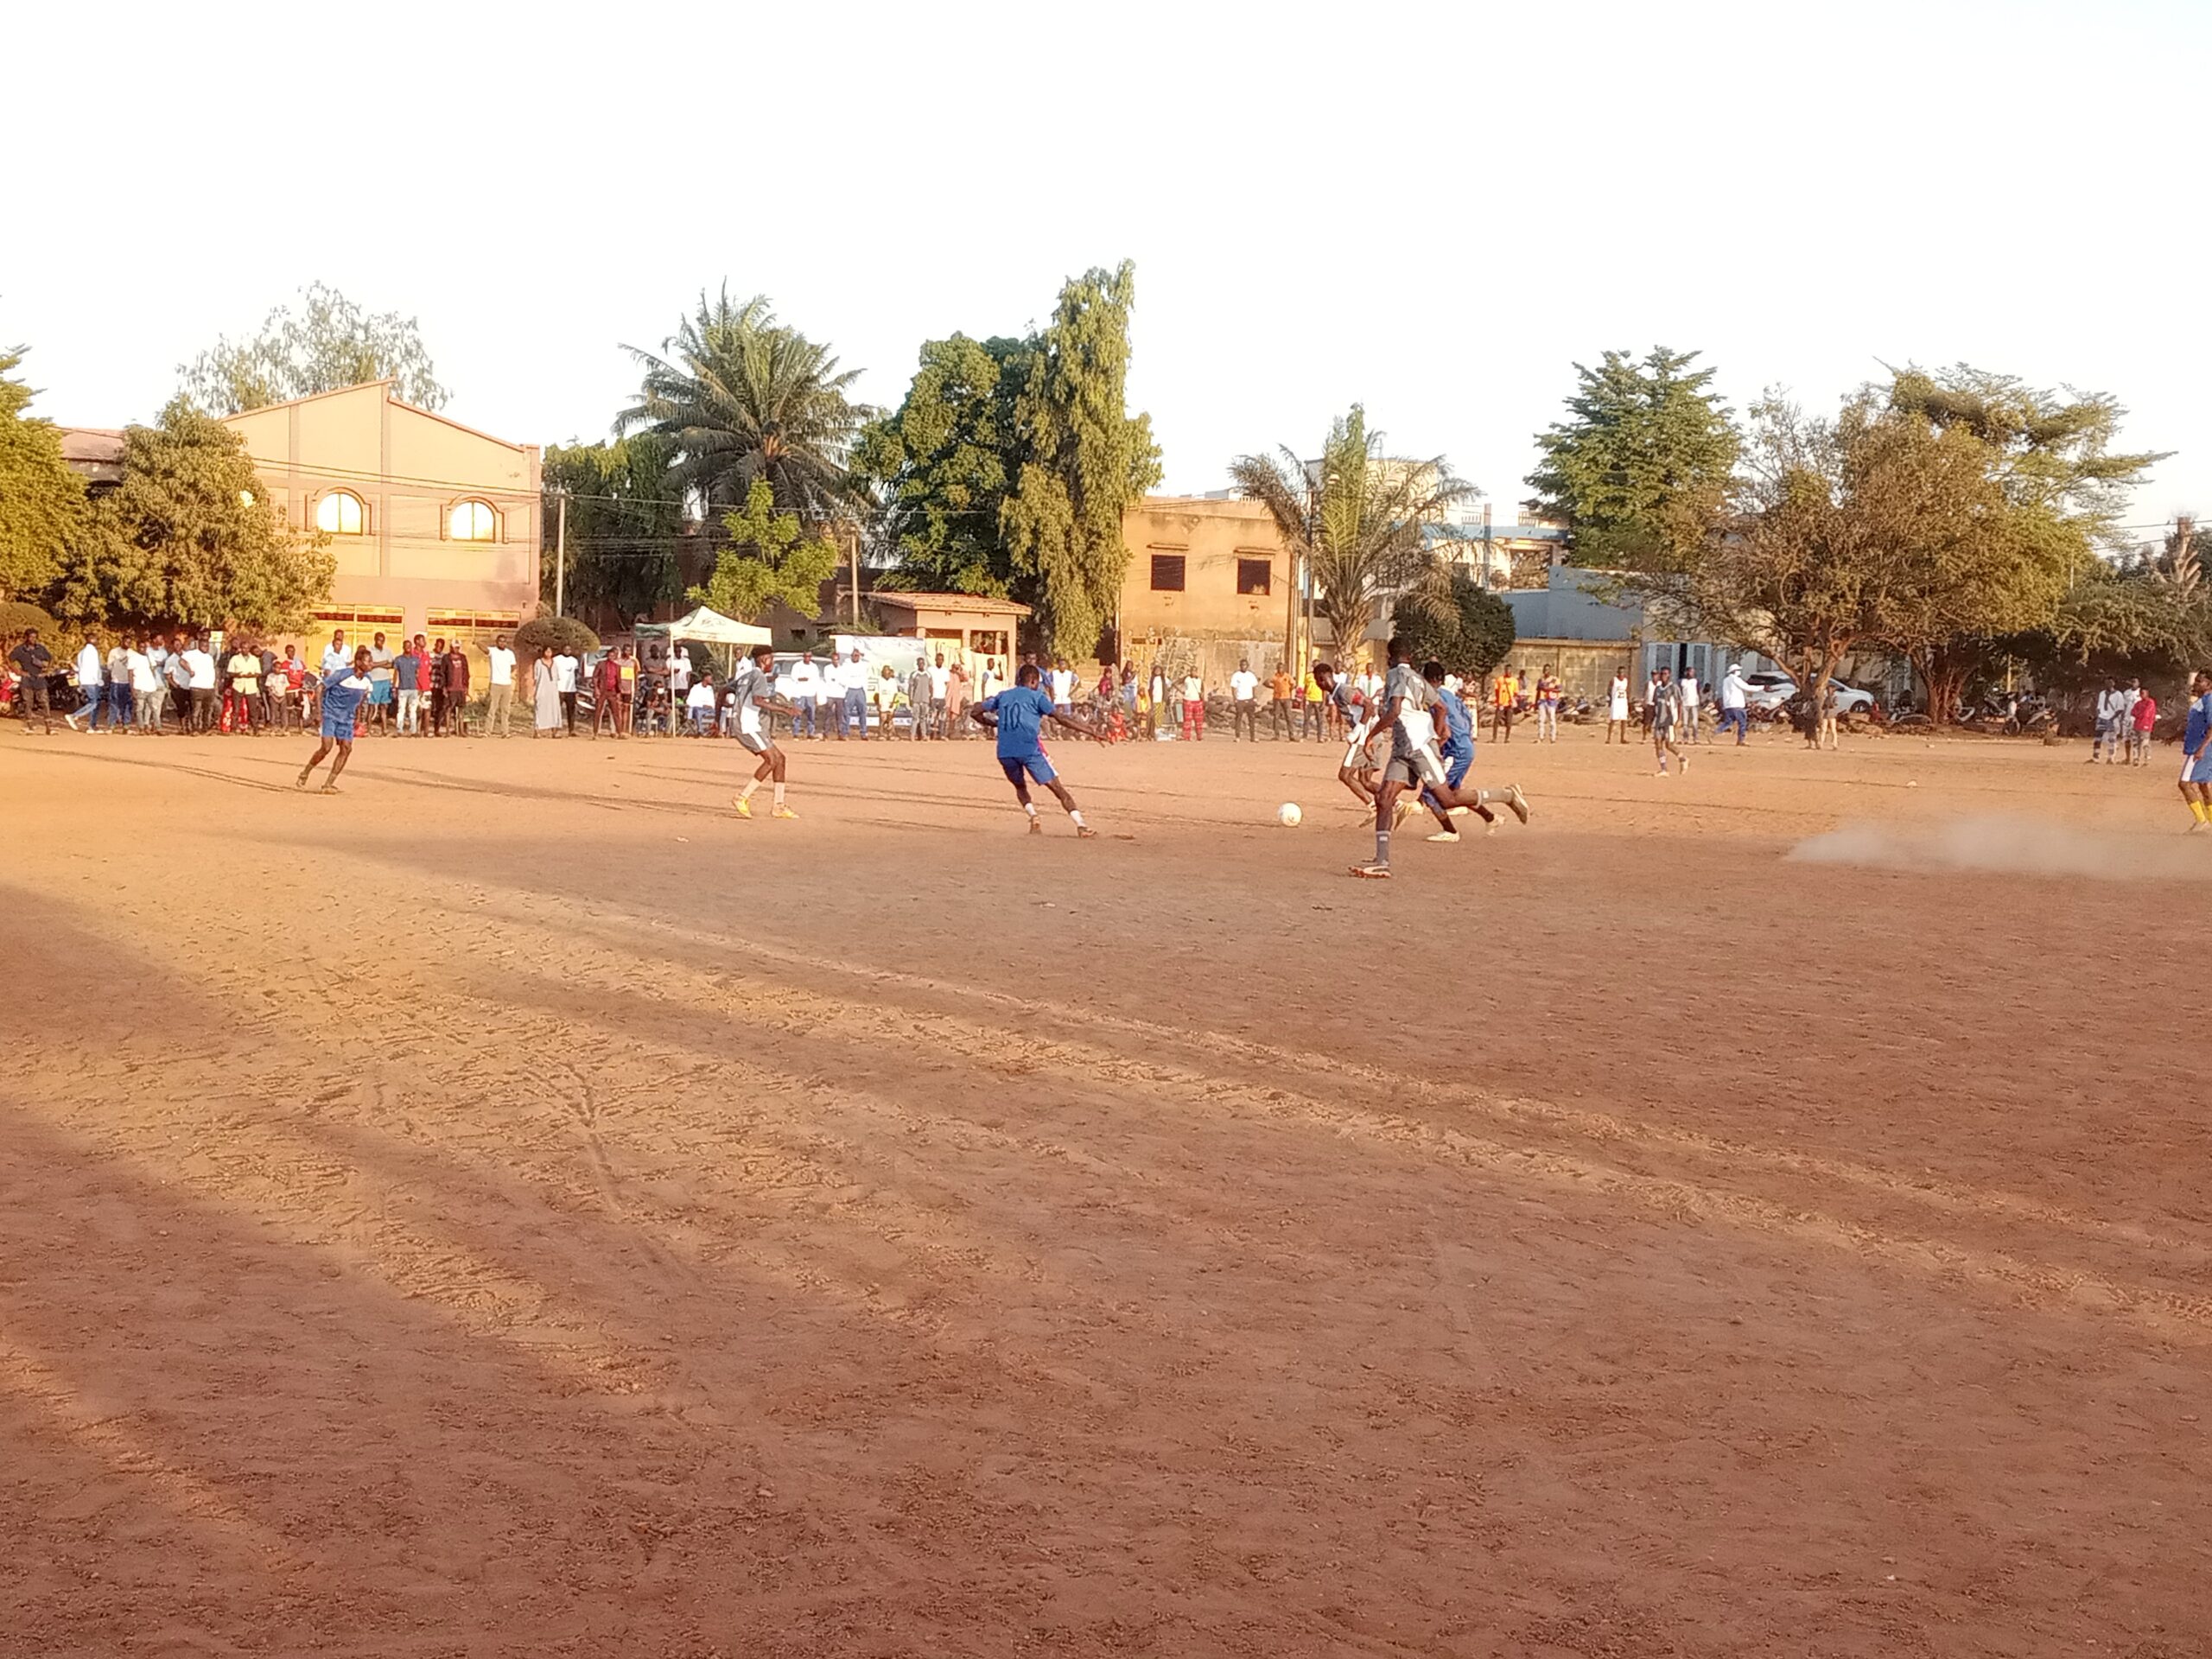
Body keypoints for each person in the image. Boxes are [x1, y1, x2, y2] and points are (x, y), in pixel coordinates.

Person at [1349, 639, 1503, 879]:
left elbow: (1395, 711)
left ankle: (1505, 795)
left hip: (1418, 745)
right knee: (1384, 798)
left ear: (1390, 657)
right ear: (1410, 657)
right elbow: (1440, 708)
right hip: (1404, 747)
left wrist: (1371, 735)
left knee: (1447, 799)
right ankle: (1382, 861)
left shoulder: (1395, 676)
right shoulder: (1420, 679)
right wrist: (1440, 731)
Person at [969, 662, 1101, 837]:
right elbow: (1060, 718)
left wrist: (994, 723)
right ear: (1033, 681)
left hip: (1005, 752)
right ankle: (1081, 825)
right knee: (1057, 788)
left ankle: (1034, 817)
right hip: (1029, 750)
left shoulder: (1003, 696)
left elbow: (975, 712)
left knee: (1020, 786)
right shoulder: (1037, 697)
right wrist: (1090, 731)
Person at [1416, 660, 1529, 842]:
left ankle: (1452, 831)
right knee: (1453, 792)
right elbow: (1468, 717)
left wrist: (1436, 750)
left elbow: (1445, 732)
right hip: (1465, 746)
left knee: (1432, 793)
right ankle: (1491, 818)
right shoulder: (1449, 694)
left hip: (1456, 751)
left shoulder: (1435, 699)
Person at [724, 644, 802, 819]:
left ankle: (778, 806)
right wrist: (785, 709)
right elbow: (758, 700)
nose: (772, 662)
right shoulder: (758, 675)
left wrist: (716, 718)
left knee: (780, 759)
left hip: (750, 725)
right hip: (748, 726)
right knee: (772, 760)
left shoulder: (747, 676)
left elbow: (723, 690)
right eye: (771, 659)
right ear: (763, 660)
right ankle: (742, 797)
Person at [296, 645, 375, 793]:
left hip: (347, 719)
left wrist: (357, 719)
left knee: (346, 748)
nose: (371, 664)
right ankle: (305, 772)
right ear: (358, 662)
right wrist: (318, 712)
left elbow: (360, 700)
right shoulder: (342, 674)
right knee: (326, 747)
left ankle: (328, 784)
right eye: (368, 661)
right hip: (331, 714)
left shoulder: (367, 681)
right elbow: (320, 688)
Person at [2179, 671, 2212, 831]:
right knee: (2203, 785)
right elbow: (2196, 725)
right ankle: (2211, 820)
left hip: (2200, 748)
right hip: (2196, 746)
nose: (2196, 684)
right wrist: (2175, 736)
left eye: (2200, 681)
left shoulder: (2210, 701)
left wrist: (2202, 748)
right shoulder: (2201, 701)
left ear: (2209, 684)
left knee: (2184, 784)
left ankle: (2201, 820)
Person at [10, 629, 55, 733]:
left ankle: (48, 727)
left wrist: (47, 670)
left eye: (35, 637)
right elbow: (9, 659)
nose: (33, 639)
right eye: (31, 637)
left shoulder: (40, 649)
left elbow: (51, 658)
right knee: (28, 702)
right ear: (26, 637)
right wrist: (17, 671)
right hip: (27, 678)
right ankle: (30, 726)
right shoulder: (20, 650)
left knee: (44, 701)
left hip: (39, 678)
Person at [1650, 666, 1688, 775]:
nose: (1663, 676)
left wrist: (1679, 719)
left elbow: (1680, 703)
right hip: (1659, 721)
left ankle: (1683, 758)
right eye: (1662, 674)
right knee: (1658, 744)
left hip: (1669, 720)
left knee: (1669, 744)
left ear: (1669, 675)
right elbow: (1655, 705)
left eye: (1665, 674)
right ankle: (1663, 769)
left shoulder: (1673, 688)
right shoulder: (1658, 689)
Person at [66, 634, 104, 732]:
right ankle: (74, 716)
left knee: (96, 703)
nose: (97, 640)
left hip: (87, 680)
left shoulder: (82, 652)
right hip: (92, 680)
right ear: (91, 639)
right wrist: (98, 680)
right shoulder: (91, 651)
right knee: (93, 703)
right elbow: (94, 668)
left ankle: (92, 726)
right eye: (96, 639)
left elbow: (80, 668)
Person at [224, 639, 259, 734]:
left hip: (251, 686)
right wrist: (238, 675)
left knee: (252, 709)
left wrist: (250, 675)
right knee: (236, 709)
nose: (245, 650)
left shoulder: (254, 659)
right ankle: (233, 728)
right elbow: (230, 672)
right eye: (243, 648)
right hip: (238, 685)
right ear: (241, 649)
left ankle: (255, 729)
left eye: (247, 648)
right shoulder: (235, 659)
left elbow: (258, 673)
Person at [2092, 677, 2129, 765]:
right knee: (2097, 738)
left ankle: (2111, 758)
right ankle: (2095, 757)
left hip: (2112, 719)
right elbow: (2099, 706)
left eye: (2110, 682)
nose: (2108, 684)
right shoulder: (2102, 694)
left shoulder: (2118, 695)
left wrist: (2112, 718)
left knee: (2111, 739)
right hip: (2102, 718)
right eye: (2107, 682)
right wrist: (2099, 715)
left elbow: (2120, 709)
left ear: (2114, 683)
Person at [485, 633, 517, 736]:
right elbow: (482, 647)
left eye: (504, 641)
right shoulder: (493, 651)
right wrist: (477, 640)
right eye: (500, 641)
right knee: (492, 708)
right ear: (497, 642)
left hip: (506, 684)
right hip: (495, 683)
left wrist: (507, 674)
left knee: (505, 709)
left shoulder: (510, 653)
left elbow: (513, 667)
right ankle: (487, 731)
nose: (502, 643)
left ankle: (505, 731)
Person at [365, 632, 395, 734]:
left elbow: (391, 664)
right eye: (378, 640)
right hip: (374, 680)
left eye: (382, 640)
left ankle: (384, 728)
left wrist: (377, 664)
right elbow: (370, 665)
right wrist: (383, 663)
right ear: (375, 640)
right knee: (372, 706)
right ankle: (368, 729)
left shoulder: (388, 651)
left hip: (385, 680)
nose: (380, 642)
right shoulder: (370, 651)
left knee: (384, 706)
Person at [126, 637, 158, 733]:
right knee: (140, 709)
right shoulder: (133, 658)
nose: (143, 649)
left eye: (145, 647)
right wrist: (132, 689)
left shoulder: (150, 657)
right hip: (139, 687)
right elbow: (130, 674)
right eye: (141, 647)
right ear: (137, 647)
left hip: (151, 687)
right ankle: (141, 728)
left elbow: (153, 670)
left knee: (154, 709)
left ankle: (157, 727)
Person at [441, 640, 471, 735]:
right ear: (451, 647)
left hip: (461, 688)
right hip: (451, 688)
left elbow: (466, 672)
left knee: (461, 709)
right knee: (449, 709)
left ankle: (461, 730)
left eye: (458, 647)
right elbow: (443, 673)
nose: (457, 649)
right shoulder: (446, 658)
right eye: (455, 647)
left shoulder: (463, 658)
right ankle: (448, 731)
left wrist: (466, 686)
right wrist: (444, 687)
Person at [838, 647, 868, 739]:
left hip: (860, 690)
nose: (856, 657)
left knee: (863, 712)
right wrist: (846, 685)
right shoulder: (846, 665)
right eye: (854, 655)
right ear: (851, 656)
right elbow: (842, 677)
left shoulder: (863, 665)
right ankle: (845, 732)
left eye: (857, 655)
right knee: (846, 712)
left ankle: (863, 733)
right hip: (850, 690)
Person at [592, 649, 623, 737]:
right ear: (607, 656)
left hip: (612, 691)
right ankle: (595, 732)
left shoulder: (617, 666)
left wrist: (618, 692)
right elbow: (595, 677)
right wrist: (596, 689)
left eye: (613, 656)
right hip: (602, 690)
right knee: (598, 711)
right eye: (610, 656)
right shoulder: (601, 664)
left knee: (615, 712)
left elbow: (618, 680)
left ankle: (619, 732)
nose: (611, 657)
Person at [531, 645, 562, 737]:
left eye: (550, 652)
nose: (548, 654)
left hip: (553, 691)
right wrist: (535, 691)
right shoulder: (539, 662)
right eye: (547, 651)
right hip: (542, 689)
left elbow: (557, 677)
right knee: (540, 709)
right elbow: (536, 677)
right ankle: (537, 731)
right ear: (543, 652)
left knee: (554, 710)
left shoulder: (554, 663)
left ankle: (554, 731)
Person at [1719, 664, 1751, 744]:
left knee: (1727, 723)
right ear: (1735, 671)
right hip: (1737, 705)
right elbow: (1747, 687)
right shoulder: (1736, 679)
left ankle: (1713, 733)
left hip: (1728, 705)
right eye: (1738, 670)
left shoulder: (1726, 680)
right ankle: (1741, 740)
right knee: (1742, 723)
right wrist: (1762, 687)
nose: (1739, 672)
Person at [553, 643, 582, 734]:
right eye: (565, 649)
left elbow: (576, 674)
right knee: (557, 711)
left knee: (571, 711)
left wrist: (576, 687)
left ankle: (571, 730)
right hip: (559, 689)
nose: (567, 651)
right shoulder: (556, 659)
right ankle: (555, 729)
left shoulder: (574, 661)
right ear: (562, 650)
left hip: (571, 689)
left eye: (569, 649)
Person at [908, 656, 935, 741]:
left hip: (925, 699)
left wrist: (931, 698)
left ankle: (924, 735)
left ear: (924, 664)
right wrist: (910, 698)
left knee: (923, 718)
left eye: (922, 663)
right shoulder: (914, 674)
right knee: (915, 718)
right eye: (919, 663)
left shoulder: (928, 675)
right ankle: (912, 735)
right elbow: (911, 687)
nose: (921, 665)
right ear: (917, 664)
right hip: (916, 699)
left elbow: (931, 687)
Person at [2130, 685, 2158, 766]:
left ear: (2147, 693)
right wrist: (2139, 714)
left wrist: (2138, 714)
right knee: (2136, 742)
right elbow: (2133, 712)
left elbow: (2146, 713)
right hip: (2137, 725)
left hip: (2146, 725)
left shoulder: (2150, 702)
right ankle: (2136, 758)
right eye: (2140, 693)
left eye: (2143, 693)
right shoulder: (2138, 703)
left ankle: (2146, 759)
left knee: (2145, 743)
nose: (2142, 695)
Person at [1490, 665, 1517, 743]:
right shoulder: (1500, 680)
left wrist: (1512, 700)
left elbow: (1515, 692)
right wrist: (1498, 701)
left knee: (1509, 722)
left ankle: (1507, 738)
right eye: (1507, 670)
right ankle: (1494, 737)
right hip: (1501, 703)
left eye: (1510, 670)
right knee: (1496, 720)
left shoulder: (1514, 681)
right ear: (1505, 671)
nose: (1509, 672)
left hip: (1509, 704)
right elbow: (1497, 691)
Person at [944, 658, 969, 740]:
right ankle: (944, 733)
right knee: (946, 717)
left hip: (955, 700)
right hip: (947, 699)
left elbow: (966, 678)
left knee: (953, 718)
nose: (955, 669)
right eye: (954, 667)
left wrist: (961, 670)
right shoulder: (947, 674)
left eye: (957, 667)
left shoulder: (959, 676)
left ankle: (951, 734)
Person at [927, 652, 950, 739]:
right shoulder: (930, 669)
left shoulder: (945, 671)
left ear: (943, 661)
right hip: (933, 697)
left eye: (941, 659)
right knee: (931, 717)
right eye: (938, 659)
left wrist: (945, 696)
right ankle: (928, 734)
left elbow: (946, 683)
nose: (939, 661)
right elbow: (929, 683)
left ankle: (941, 734)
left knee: (942, 717)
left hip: (942, 697)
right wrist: (930, 695)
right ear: (935, 660)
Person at [685, 671, 717, 735]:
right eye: (710, 678)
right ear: (705, 678)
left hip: (709, 709)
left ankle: (719, 731)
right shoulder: (696, 688)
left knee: (722, 712)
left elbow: (712, 702)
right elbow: (689, 701)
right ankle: (700, 731)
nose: (711, 680)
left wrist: (710, 706)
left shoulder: (710, 689)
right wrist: (702, 705)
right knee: (698, 711)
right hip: (698, 708)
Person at [1605, 669, 1632, 744]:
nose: (1621, 674)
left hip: (1623, 702)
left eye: (1623, 672)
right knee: (1613, 720)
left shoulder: (1626, 681)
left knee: (1624, 721)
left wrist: (1628, 701)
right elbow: (1609, 690)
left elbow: (1627, 691)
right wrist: (1609, 699)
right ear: (1618, 673)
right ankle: (1609, 738)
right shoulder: (1614, 680)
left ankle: (1622, 738)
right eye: (1620, 672)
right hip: (1616, 702)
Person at [1180, 666, 1205, 741]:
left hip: (1197, 701)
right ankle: (1186, 736)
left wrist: (1202, 696)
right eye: (1192, 671)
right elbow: (1175, 683)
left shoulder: (1200, 679)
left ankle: (1199, 736)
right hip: (1188, 700)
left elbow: (1202, 689)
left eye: (1195, 671)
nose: (1193, 673)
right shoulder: (1186, 678)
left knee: (1199, 720)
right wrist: (1183, 692)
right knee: (1187, 720)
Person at [1677, 669, 1700, 746]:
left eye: (1692, 672)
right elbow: (1679, 692)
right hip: (1685, 704)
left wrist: (1699, 701)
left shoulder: (1695, 681)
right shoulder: (1682, 681)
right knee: (1685, 723)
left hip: (1694, 704)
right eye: (1690, 672)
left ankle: (1695, 738)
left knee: (1694, 723)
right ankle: (1685, 738)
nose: (1691, 674)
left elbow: (1698, 691)